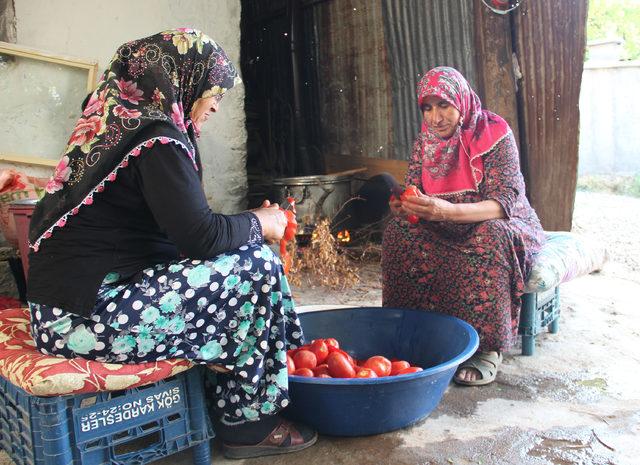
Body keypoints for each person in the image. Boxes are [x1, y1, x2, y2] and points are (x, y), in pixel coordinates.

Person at [26, 29, 316, 458]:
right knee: (257, 266)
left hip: (63, 311)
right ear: (184, 79)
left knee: (239, 259)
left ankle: (232, 395)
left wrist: (248, 226)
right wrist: (262, 221)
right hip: (86, 322)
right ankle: (248, 426)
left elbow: (185, 231)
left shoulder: (114, 123)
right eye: (213, 90)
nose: (216, 102)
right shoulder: (156, 137)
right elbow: (202, 236)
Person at [382, 66, 545, 386]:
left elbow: (504, 204)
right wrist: (406, 208)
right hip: (444, 223)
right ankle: (412, 334)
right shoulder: (424, 143)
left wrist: (447, 211)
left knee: (491, 238)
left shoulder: (494, 132)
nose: (435, 117)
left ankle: (486, 349)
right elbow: (416, 195)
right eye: (427, 108)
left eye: (444, 105)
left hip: (499, 221)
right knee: (398, 234)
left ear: (462, 101)